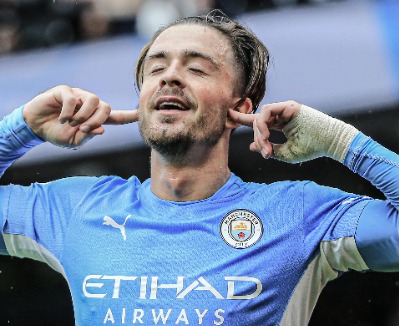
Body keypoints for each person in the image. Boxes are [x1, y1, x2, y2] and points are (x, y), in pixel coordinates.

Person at [1, 10, 399, 326]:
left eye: (196, 68)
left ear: (240, 109)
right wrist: (22, 128)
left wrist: (339, 141)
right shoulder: (77, 208)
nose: (170, 75)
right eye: (156, 69)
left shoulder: (300, 214)